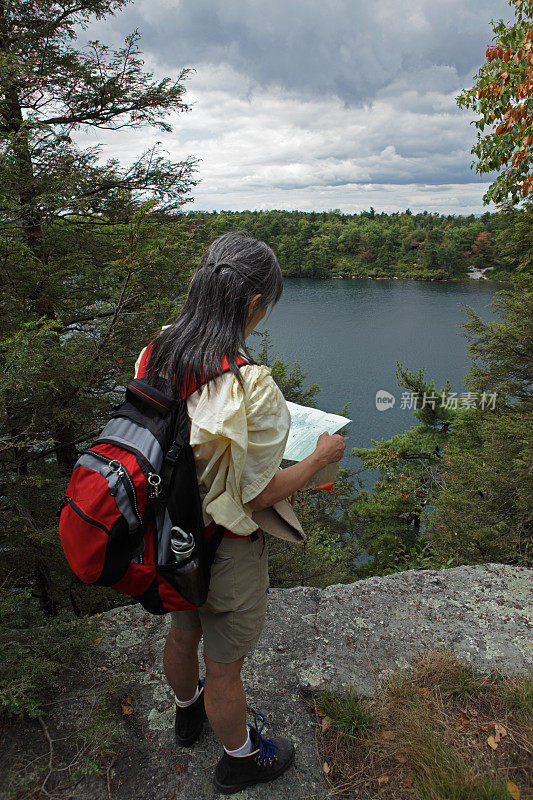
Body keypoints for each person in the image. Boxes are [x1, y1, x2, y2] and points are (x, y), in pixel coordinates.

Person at [134, 230, 345, 795]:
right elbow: (257, 495)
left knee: (182, 635)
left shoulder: (157, 349)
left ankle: (186, 712)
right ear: (254, 303)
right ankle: (240, 758)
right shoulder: (250, 384)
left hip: (170, 538)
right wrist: (319, 458)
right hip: (224, 548)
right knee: (225, 668)